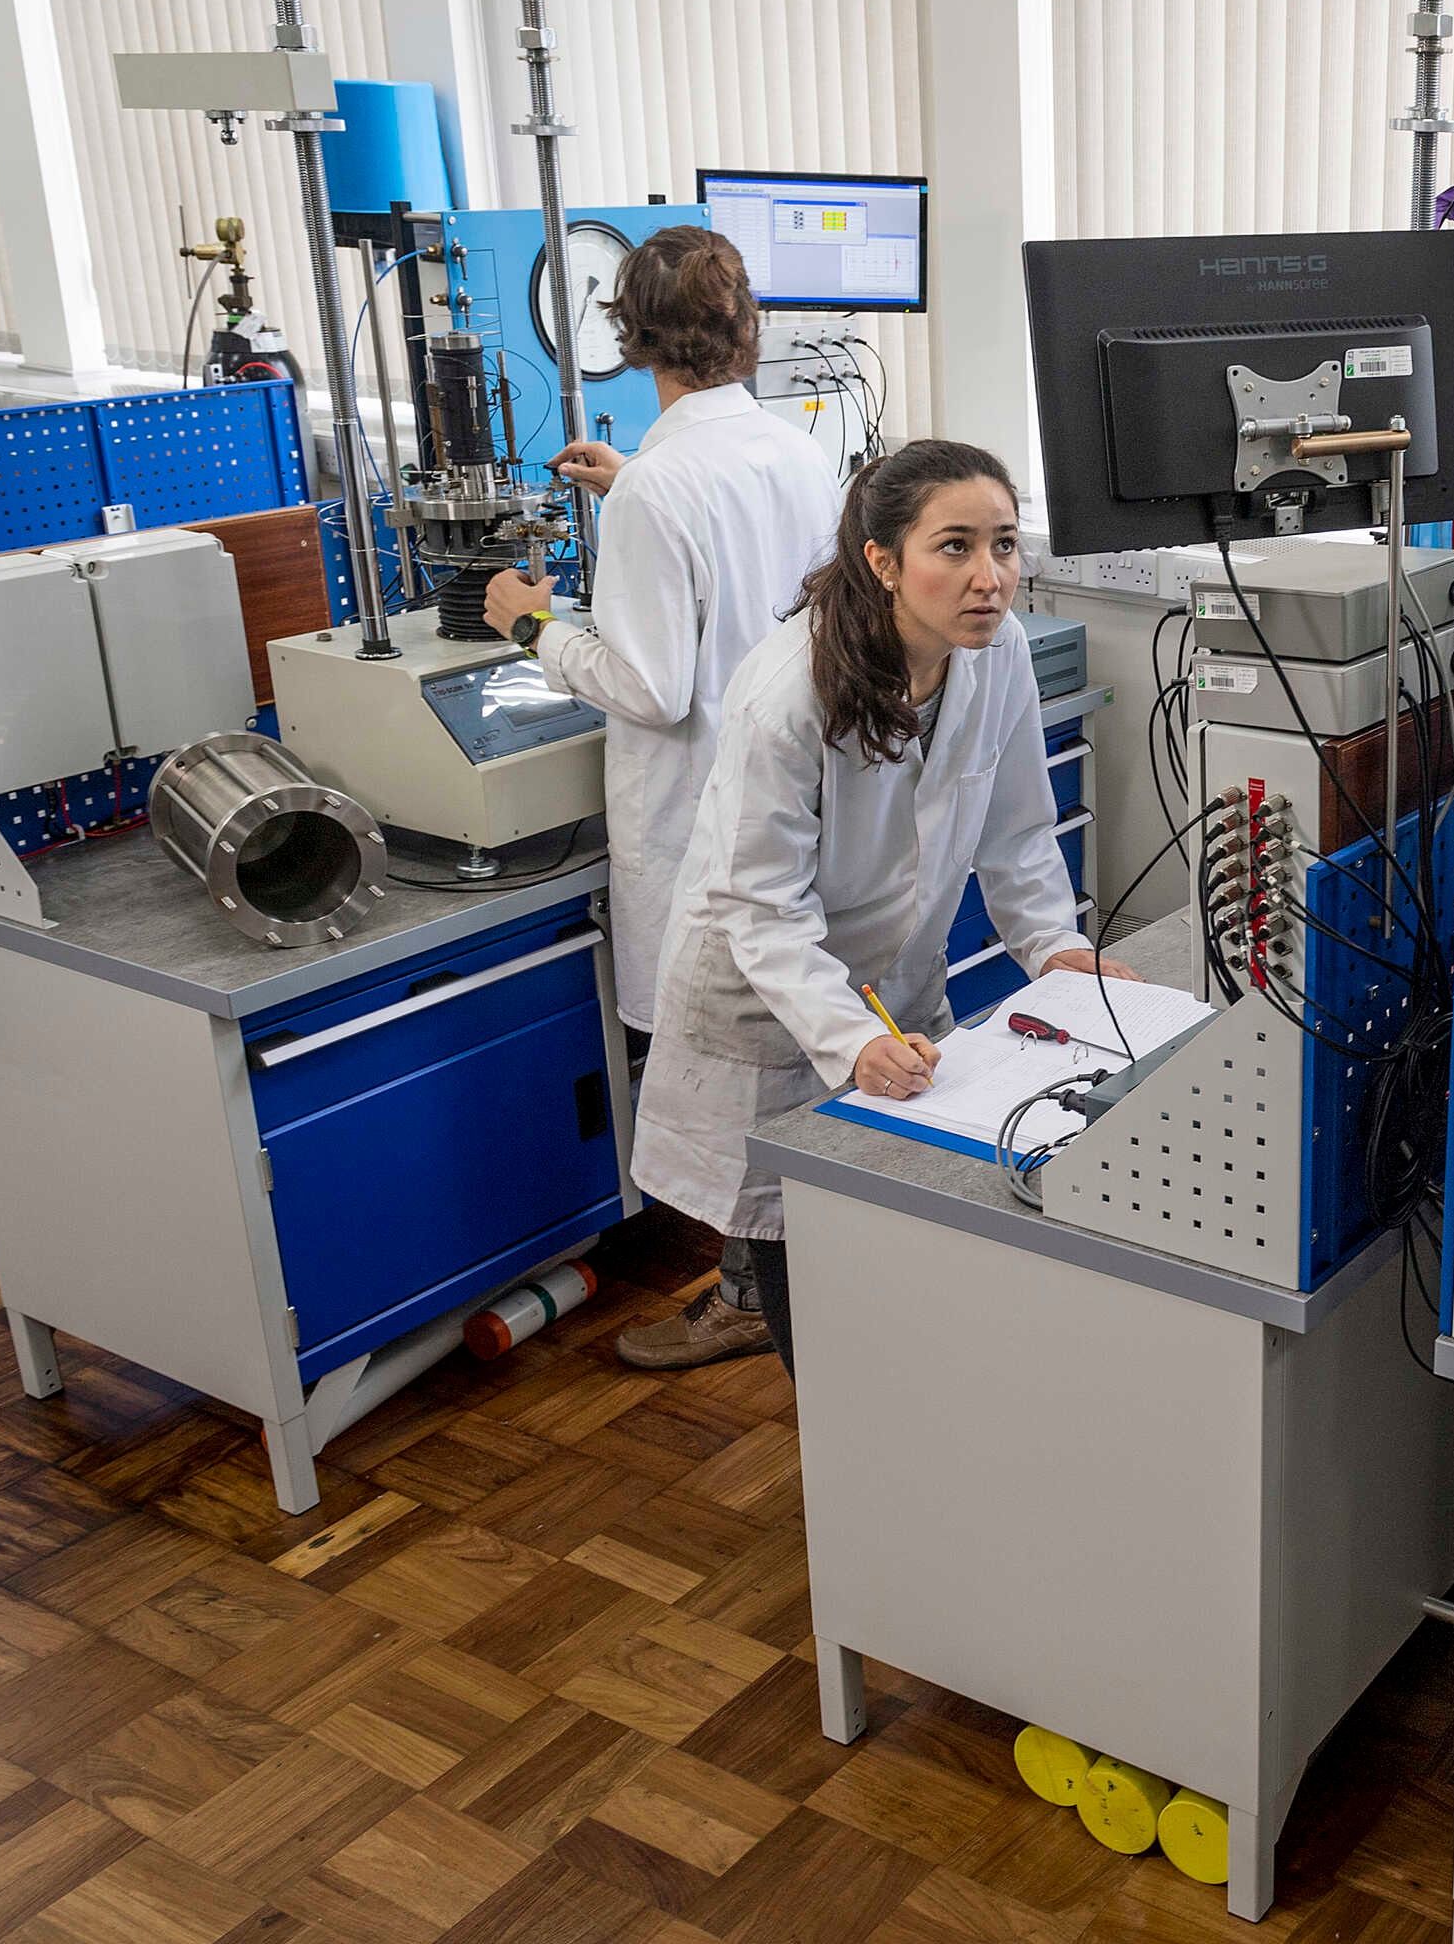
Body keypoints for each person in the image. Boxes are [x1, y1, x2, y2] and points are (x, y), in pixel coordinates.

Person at [628, 439, 1135, 1375]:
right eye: (954, 547)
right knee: (797, 1253)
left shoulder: (999, 653)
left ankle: (905, 1420)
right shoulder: (790, 693)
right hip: (772, 1004)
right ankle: (838, 1440)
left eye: (1006, 544)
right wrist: (846, 1038)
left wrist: (1054, 948)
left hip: (895, 992)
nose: (990, 577)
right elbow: (762, 905)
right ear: (882, 560)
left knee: (904, 1232)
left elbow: (1019, 830)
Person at [480, 224, 842, 1371]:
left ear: (629, 338)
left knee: (731, 1070)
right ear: (746, 329)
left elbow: (644, 684)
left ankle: (748, 1291)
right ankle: (798, 1264)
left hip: (700, 813)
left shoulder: (665, 487)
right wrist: (634, 486)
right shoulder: (794, 452)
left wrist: (530, 625)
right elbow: (745, 560)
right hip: (800, 796)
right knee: (785, 1051)